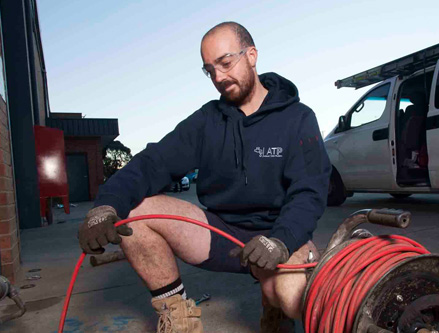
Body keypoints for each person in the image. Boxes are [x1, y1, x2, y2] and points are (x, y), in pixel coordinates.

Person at [77, 21, 331, 333]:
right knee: (134, 214)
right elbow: (152, 163)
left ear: (251, 55)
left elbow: (310, 191)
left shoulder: (298, 118)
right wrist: (104, 206)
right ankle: (178, 318)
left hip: (277, 237)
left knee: (292, 298)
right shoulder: (207, 121)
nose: (219, 78)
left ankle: (276, 309)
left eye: (225, 63)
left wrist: (281, 240)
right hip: (221, 236)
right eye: (209, 70)